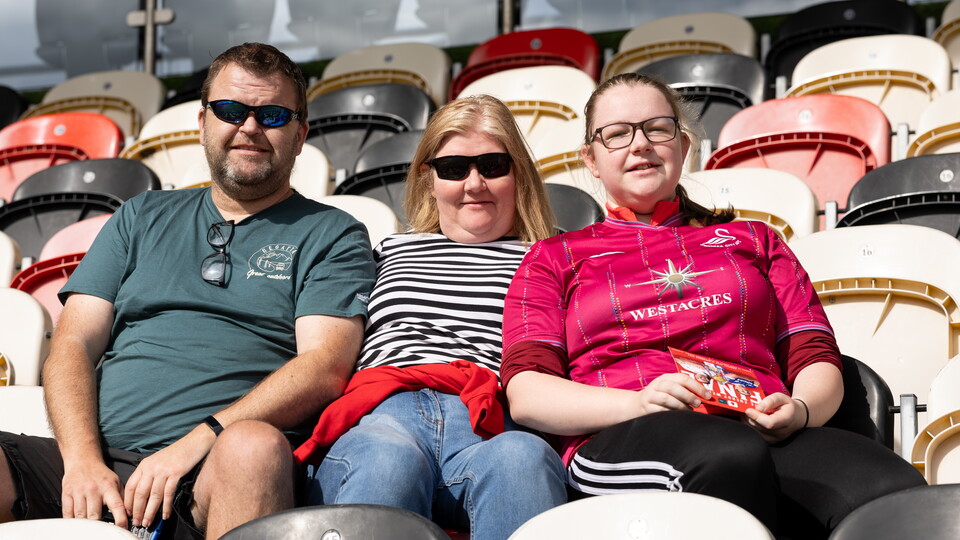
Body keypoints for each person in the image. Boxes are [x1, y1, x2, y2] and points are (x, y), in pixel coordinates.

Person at [499, 73, 925, 538]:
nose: (639, 145)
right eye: (617, 134)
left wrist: (800, 410)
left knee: (894, 492)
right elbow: (527, 392)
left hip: (761, 427)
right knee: (728, 460)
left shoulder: (755, 239)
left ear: (683, 146)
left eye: (656, 128)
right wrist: (636, 402)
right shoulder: (553, 257)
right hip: (620, 433)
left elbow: (815, 354)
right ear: (592, 160)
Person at [0, 43, 376, 539]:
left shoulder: (332, 232)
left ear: (301, 134)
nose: (249, 127)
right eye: (230, 110)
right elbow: (71, 345)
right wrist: (84, 461)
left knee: (254, 448)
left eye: (273, 115)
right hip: (95, 462)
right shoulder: (141, 215)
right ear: (202, 123)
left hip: (214, 470)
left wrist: (202, 438)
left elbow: (323, 368)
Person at [296, 94, 568, 540]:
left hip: (494, 419)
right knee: (387, 461)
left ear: (519, 173)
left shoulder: (551, 257)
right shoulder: (386, 250)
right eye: (454, 168)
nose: (474, 183)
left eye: (493, 166)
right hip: (386, 411)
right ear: (429, 178)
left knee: (521, 458)